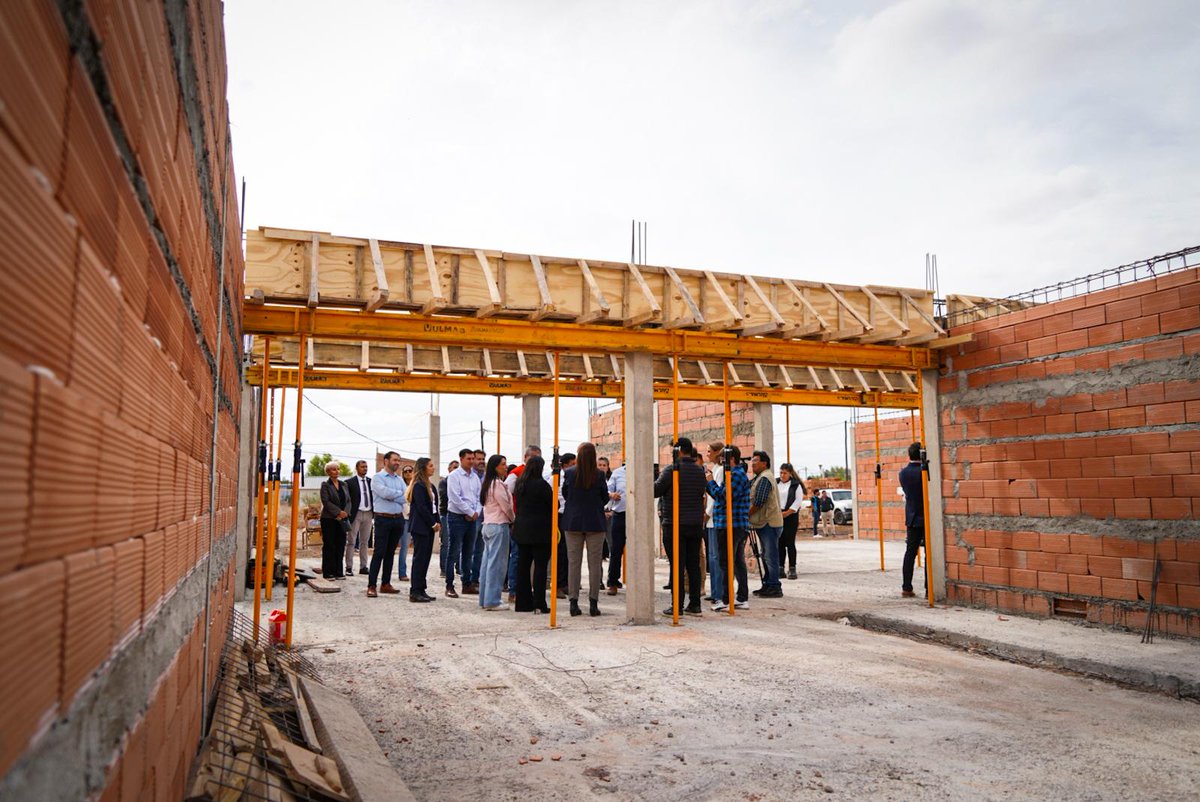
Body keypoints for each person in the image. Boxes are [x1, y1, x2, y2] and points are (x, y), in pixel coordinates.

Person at [653, 438, 707, 616]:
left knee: (677, 564)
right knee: (693, 565)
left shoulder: (672, 470)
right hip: (695, 524)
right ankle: (695, 604)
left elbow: (655, 491)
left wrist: (653, 477)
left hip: (675, 523)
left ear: (678, 450)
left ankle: (677, 605)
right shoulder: (700, 471)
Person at [562, 443, 608, 617]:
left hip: (573, 521)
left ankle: (573, 602)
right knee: (595, 563)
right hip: (595, 521)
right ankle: (593, 603)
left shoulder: (570, 473)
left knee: (574, 563)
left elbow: (566, 494)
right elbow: (604, 497)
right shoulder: (599, 474)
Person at [705, 445, 750, 612]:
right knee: (737, 562)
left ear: (732, 459)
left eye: (724, 459)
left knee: (726, 562)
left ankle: (726, 599)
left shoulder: (735, 475)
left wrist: (710, 483)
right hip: (733, 524)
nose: (721, 462)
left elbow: (723, 497)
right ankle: (740, 598)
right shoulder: (735, 474)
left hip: (731, 524)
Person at [511, 455, 552, 613]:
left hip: (522, 530)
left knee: (523, 567)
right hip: (540, 531)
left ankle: (522, 603)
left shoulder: (520, 484)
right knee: (540, 568)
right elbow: (552, 504)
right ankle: (539, 602)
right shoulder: (542, 485)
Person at [367, 451, 407, 597]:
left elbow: (406, 497)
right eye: (395, 460)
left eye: (399, 460)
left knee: (390, 553)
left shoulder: (399, 479)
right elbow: (384, 494)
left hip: (398, 519)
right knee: (379, 552)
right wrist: (398, 494)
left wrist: (394, 495)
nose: (397, 463)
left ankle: (386, 583)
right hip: (383, 519)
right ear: (386, 461)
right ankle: (372, 585)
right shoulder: (377, 478)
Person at [504, 445, 541, 601]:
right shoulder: (515, 474)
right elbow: (507, 495)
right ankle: (514, 589)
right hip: (518, 520)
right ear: (526, 458)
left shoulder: (537, 475)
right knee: (517, 556)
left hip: (532, 521)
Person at [478, 454, 514, 610]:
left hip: (488, 525)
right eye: (502, 464)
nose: (505, 467)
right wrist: (513, 518)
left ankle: (485, 599)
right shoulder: (497, 484)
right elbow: (505, 505)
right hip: (499, 525)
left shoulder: (487, 483)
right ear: (495, 467)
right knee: (497, 565)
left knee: (487, 564)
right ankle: (492, 600)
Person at [444, 449, 480, 597]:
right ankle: (449, 585)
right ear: (461, 459)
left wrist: (476, 512)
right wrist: (469, 512)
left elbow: (479, 497)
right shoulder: (454, 476)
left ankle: (467, 583)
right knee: (453, 551)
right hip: (457, 517)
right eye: (469, 459)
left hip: (472, 519)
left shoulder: (475, 477)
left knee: (468, 552)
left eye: (473, 459)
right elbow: (455, 497)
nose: (471, 461)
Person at [749, 451, 784, 599]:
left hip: (769, 523)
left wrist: (746, 514)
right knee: (765, 555)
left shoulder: (765, 478)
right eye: (752, 460)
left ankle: (775, 586)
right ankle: (768, 584)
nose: (752, 463)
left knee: (770, 556)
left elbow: (759, 501)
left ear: (764, 463)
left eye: (756, 461)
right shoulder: (759, 478)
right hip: (764, 523)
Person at [405, 457, 439, 603]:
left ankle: (421, 589)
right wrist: (432, 523)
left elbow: (434, 506)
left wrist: (437, 521)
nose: (433, 468)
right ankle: (415, 591)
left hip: (429, 527)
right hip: (421, 526)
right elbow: (421, 507)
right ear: (423, 468)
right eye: (430, 466)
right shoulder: (419, 485)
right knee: (419, 559)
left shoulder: (430, 485)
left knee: (425, 559)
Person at [899, 442, 927, 598]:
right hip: (926, 517)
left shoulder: (903, 473)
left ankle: (906, 587)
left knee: (910, 553)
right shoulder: (924, 471)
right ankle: (929, 588)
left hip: (911, 516)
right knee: (929, 554)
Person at [318, 463, 350, 580]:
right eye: (333, 469)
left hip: (342, 519)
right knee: (329, 545)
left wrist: (345, 512)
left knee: (340, 544)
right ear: (328, 472)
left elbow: (348, 501)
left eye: (337, 469)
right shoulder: (325, 485)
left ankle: (338, 571)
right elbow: (326, 501)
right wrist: (337, 512)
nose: (336, 471)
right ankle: (328, 572)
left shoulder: (344, 484)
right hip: (329, 519)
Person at [703, 442, 726, 602]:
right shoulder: (716, 470)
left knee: (716, 558)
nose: (708, 454)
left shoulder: (720, 471)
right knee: (712, 558)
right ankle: (715, 591)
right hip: (712, 519)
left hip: (715, 518)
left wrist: (707, 513)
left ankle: (719, 593)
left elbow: (715, 496)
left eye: (710, 451)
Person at [344, 460, 374, 576]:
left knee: (365, 542)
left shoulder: (371, 481)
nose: (365, 469)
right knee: (351, 541)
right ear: (357, 468)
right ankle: (349, 567)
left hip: (368, 513)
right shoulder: (349, 482)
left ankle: (363, 566)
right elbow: (347, 500)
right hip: (355, 514)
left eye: (366, 467)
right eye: (362, 467)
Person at [552, 452, 575, 597]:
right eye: (572, 464)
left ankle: (565, 582)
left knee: (568, 551)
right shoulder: (555, 478)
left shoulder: (572, 477)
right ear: (565, 465)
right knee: (559, 552)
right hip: (559, 516)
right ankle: (558, 585)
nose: (575, 467)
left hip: (569, 516)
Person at [777, 463, 805, 580]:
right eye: (781, 473)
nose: (782, 475)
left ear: (790, 473)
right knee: (780, 543)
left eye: (785, 473)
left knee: (790, 543)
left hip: (791, 515)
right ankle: (780, 568)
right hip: (778, 514)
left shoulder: (795, 485)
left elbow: (798, 501)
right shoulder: (776, 483)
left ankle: (792, 568)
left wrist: (787, 513)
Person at [604, 460, 627, 595]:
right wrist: (612, 495)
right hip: (620, 515)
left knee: (638, 550)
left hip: (638, 516)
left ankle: (638, 582)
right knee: (616, 549)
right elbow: (607, 490)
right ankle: (612, 582)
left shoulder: (643, 472)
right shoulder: (618, 474)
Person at [395, 464, 415, 582]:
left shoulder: (416, 486)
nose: (408, 473)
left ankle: (415, 573)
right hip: (402, 518)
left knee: (413, 547)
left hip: (415, 519)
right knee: (403, 547)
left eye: (410, 470)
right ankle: (402, 572)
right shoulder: (400, 485)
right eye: (405, 471)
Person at [437, 460, 457, 577]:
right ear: (449, 469)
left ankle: (459, 568)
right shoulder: (444, 482)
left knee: (458, 544)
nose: (456, 469)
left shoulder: (461, 481)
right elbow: (444, 497)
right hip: (446, 514)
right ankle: (444, 569)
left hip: (458, 515)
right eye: (454, 467)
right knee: (446, 543)